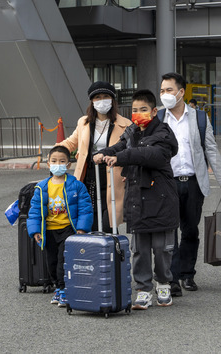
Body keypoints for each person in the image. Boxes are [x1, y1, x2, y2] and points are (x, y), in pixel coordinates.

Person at [93, 89, 179, 309]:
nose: (138, 114)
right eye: (134, 110)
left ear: (154, 111)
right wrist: (105, 152)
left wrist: (119, 157)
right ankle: (143, 289)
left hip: (159, 199)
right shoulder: (132, 131)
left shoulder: (163, 133)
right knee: (139, 249)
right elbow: (121, 145)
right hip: (137, 198)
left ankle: (163, 284)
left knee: (161, 248)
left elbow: (147, 154)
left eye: (143, 110)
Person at [159, 72, 221, 297]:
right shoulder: (158, 117)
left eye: (169, 90)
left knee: (190, 230)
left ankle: (187, 274)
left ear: (181, 92)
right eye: (162, 91)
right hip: (167, 183)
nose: (165, 95)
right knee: (169, 232)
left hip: (192, 182)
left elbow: (211, 149)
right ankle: (171, 278)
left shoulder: (200, 118)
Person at [57, 81, 132, 233]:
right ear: (92, 101)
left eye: (105, 96)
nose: (101, 100)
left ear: (112, 100)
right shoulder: (83, 122)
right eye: (97, 97)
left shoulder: (126, 124)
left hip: (113, 175)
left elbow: (131, 151)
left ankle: (109, 250)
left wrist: (130, 171)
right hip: (89, 175)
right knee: (88, 216)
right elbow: (72, 142)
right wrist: (56, 152)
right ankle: (92, 252)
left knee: (108, 221)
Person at [27, 146, 93, 307]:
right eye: (54, 161)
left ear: (68, 165)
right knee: (51, 262)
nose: (58, 164)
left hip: (68, 231)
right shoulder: (42, 187)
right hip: (48, 231)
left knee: (63, 261)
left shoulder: (76, 186)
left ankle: (64, 290)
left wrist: (82, 228)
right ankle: (58, 287)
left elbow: (85, 208)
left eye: (62, 161)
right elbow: (35, 211)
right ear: (48, 164)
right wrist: (35, 230)